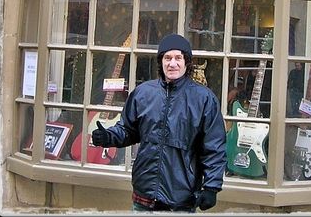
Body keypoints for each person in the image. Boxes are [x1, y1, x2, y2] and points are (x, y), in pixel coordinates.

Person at [92, 33, 227, 212]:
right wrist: (108, 136)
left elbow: (214, 147)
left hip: (181, 198)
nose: (172, 63)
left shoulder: (204, 99)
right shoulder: (142, 93)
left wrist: (211, 187)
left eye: (178, 58)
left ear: (187, 62)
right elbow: (128, 130)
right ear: (160, 61)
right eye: (167, 58)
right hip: (144, 195)